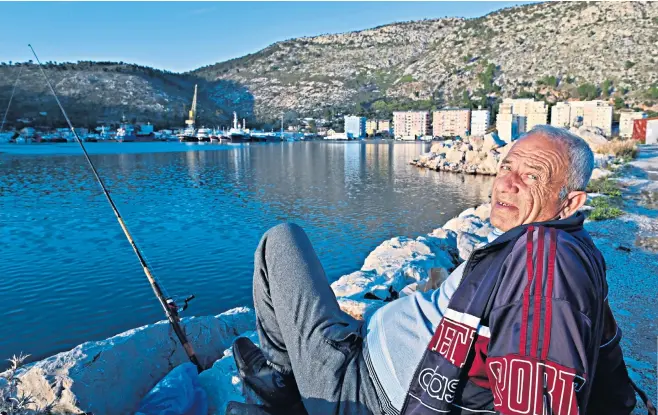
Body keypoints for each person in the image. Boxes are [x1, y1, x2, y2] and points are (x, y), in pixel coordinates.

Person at [226, 125, 647, 415]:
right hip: (369, 355)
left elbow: (538, 391)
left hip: (366, 393)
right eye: (506, 167)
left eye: (531, 176)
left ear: (570, 202)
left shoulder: (545, 256)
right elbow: (604, 351)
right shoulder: (573, 248)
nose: (505, 183)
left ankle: (288, 388)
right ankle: (293, 374)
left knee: (280, 241)